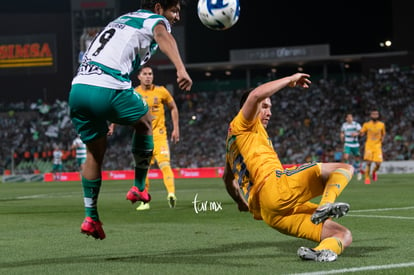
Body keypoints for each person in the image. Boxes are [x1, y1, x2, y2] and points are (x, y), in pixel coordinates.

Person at [68, 0, 192, 240]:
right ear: (158, 8)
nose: (176, 16)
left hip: (78, 89)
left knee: (94, 153)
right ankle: (139, 187)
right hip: (108, 86)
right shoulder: (153, 20)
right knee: (146, 121)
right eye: (174, 10)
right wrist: (180, 68)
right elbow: (162, 34)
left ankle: (90, 217)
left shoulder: (121, 20)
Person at [223, 73, 353, 262]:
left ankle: (321, 251)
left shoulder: (233, 145)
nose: (269, 112)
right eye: (265, 107)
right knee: (344, 168)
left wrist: (240, 202)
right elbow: (255, 96)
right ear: (248, 109)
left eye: (270, 107)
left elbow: (227, 179)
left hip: (271, 214)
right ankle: (326, 204)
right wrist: (290, 79)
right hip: (274, 188)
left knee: (342, 234)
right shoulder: (243, 124)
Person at [134, 66, 180, 210]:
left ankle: (171, 194)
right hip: (143, 137)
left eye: (150, 74)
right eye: (145, 74)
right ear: (139, 77)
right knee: (144, 170)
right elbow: (123, 110)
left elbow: (173, 107)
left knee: (165, 165)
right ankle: (144, 201)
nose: (148, 76)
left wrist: (176, 128)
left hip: (160, 136)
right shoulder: (135, 93)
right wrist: (113, 125)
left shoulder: (161, 91)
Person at [360, 109, 386, 185]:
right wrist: (360, 133)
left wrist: (382, 140)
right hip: (369, 145)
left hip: (377, 146)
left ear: (378, 115)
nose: (375, 115)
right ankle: (367, 178)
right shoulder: (366, 124)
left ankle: (374, 172)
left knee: (378, 164)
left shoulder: (382, 124)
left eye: (376, 114)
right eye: (373, 114)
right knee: (369, 162)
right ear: (371, 115)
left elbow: (383, 134)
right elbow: (362, 132)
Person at [340, 113, 362, 180]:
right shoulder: (344, 125)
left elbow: (361, 133)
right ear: (346, 118)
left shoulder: (356, 124)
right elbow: (342, 132)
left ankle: (358, 172)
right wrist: (341, 136)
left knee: (357, 158)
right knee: (346, 157)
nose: (350, 118)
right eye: (348, 117)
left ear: (352, 118)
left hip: (355, 144)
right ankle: (347, 173)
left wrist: (357, 134)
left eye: (351, 117)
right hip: (347, 144)